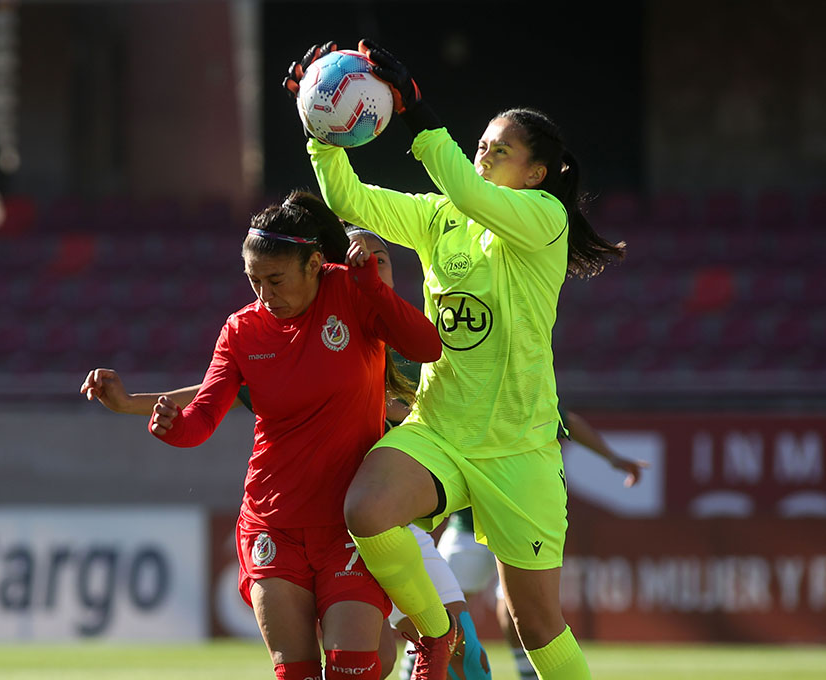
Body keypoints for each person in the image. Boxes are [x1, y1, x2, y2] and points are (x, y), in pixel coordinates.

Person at [283, 39, 626, 680]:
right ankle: (438, 640)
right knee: (365, 510)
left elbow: (466, 189)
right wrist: (321, 134)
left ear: (536, 175)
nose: (484, 153)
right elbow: (353, 203)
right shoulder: (444, 216)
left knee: (537, 622)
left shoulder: (543, 219)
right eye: (482, 144)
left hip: (520, 447)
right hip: (440, 428)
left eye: (501, 150)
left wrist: (416, 111)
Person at [93, 226, 492, 680]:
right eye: (254, 280)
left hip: (385, 523)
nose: (373, 266)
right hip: (315, 521)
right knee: (357, 660)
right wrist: (137, 406)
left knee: (452, 652)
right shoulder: (286, 333)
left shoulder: (398, 333)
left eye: (381, 258)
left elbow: (462, 404)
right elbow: (215, 394)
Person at [438, 409, 649, 680]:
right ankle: (415, 671)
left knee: (521, 614)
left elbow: (567, 420)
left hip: (521, 520)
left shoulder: (526, 388)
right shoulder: (465, 386)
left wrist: (612, 458)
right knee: (437, 611)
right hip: (468, 522)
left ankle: (528, 676)